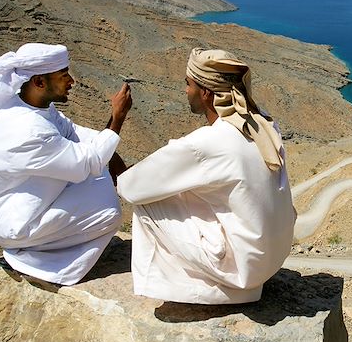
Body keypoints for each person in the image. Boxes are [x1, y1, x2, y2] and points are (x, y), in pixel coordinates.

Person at [116, 47, 296, 304]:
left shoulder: (208, 142)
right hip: (272, 257)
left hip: (247, 269)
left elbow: (131, 188)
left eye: (188, 84)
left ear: (205, 92)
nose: (186, 91)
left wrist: (114, 125)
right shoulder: (263, 123)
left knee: (148, 205)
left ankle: (195, 286)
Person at [0, 42, 132, 285]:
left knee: (99, 176)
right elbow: (91, 159)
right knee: (108, 213)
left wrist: (126, 174)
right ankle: (33, 262)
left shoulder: (34, 107)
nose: (71, 81)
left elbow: (77, 134)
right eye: (64, 75)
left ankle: (42, 247)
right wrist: (118, 118)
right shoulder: (29, 130)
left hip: (22, 202)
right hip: (12, 221)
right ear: (39, 82)